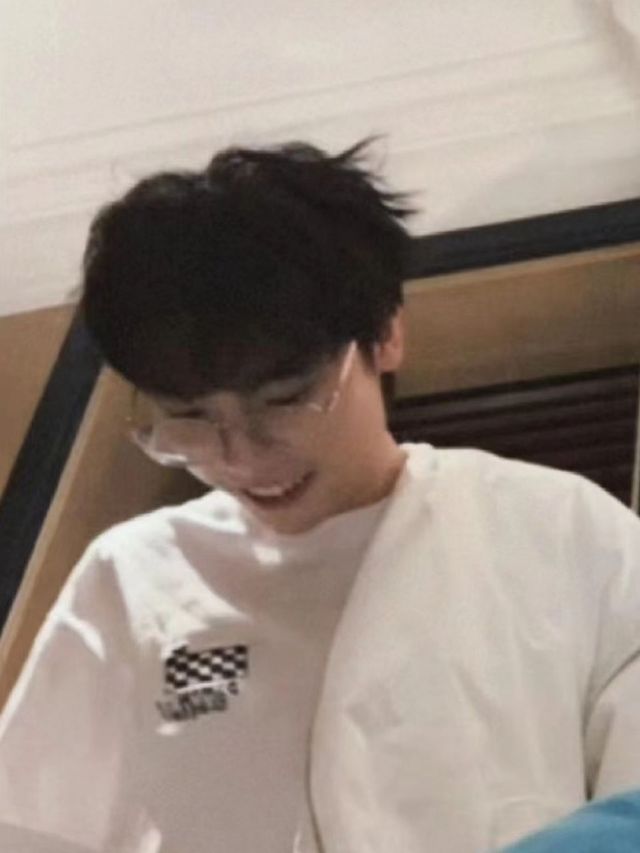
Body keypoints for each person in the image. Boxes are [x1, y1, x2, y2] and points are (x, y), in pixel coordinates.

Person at [0, 139, 639, 853]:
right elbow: (29, 828)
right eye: (189, 417)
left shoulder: (558, 531)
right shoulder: (132, 579)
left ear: (385, 333)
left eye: (284, 399)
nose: (239, 456)